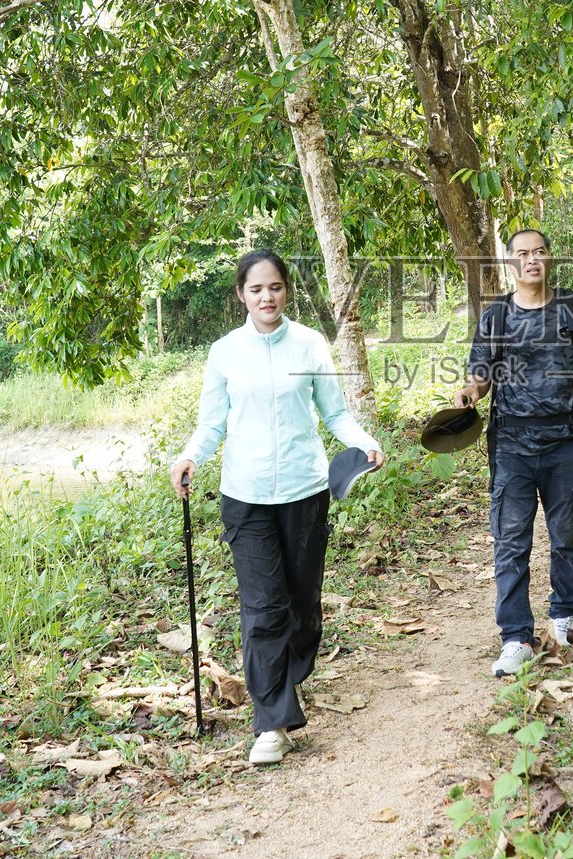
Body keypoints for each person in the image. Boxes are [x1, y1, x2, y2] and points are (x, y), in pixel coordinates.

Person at [169, 249, 383, 765]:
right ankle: (272, 721)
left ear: (286, 291)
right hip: (245, 497)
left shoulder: (310, 345)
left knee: (303, 607)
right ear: (241, 294)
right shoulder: (224, 352)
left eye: (276, 288)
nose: (267, 297)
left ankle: (288, 681)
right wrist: (190, 455)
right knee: (264, 607)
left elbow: (335, 413)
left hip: (304, 491)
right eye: (257, 289)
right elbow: (211, 423)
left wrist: (366, 441)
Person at [455, 229, 573, 677]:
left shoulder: (572, 309)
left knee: (566, 535)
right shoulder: (496, 316)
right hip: (511, 445)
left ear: (550, 258)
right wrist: (469, 393)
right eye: (522, 254)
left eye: (539, 252)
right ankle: (515, 638)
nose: (532, 260)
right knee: (510, 543)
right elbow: (481, 375)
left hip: (565, 439)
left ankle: (563, 617)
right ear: (510, 263)